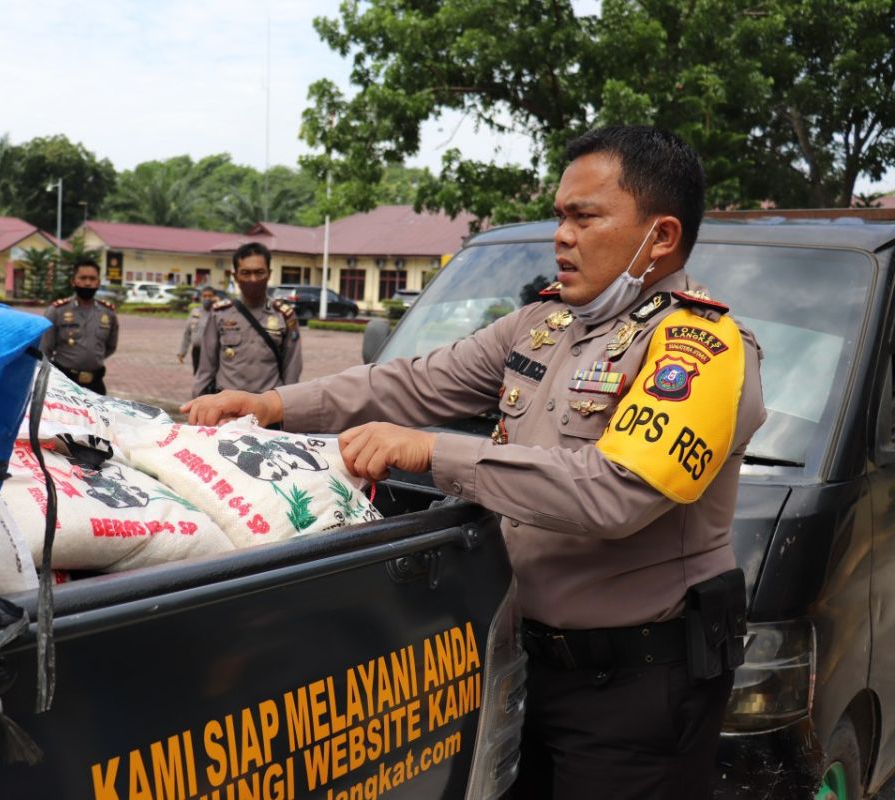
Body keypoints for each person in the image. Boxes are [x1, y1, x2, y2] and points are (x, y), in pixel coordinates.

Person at [183, 126, 766, 799]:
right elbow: (413, 381)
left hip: (636, 692)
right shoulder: (545, 325)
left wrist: (436, 452)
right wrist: (270, 404)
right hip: (522, 661)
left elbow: (614, 494)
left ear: (660, 237)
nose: (562, 236)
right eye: (559, 215)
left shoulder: (699, 349)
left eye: (585, 217)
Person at [192, 243, 302, 397]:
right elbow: (206, 369)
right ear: (235, 276)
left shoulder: (284, 316)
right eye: (245, 273)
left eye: (259, 272)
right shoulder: (219, 314)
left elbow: (292, 370)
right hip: (227, 411)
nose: (253, 279)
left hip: (267, 411)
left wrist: (288, 411)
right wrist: (197, 403)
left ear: (269, 274)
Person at [41, 258, 118, 395]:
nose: (88, 283)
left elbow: (110, 347)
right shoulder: (57, 311)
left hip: (96, 383)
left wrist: (89, 358)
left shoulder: (108, 312)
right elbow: (45, 349)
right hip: (64, 383)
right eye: (83, 278)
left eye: (92, 278)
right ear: (73, 281)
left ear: (98, 283)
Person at [178, 285, 217, 374]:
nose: (207, 298)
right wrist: (182, 352)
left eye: (210, 296)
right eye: (204, 296)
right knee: (197, 375)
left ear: (214, 297)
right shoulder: (195, 312)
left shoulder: (219, 312)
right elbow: (187, 333)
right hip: (197, 351)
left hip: (213, 353)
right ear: (200, 297)